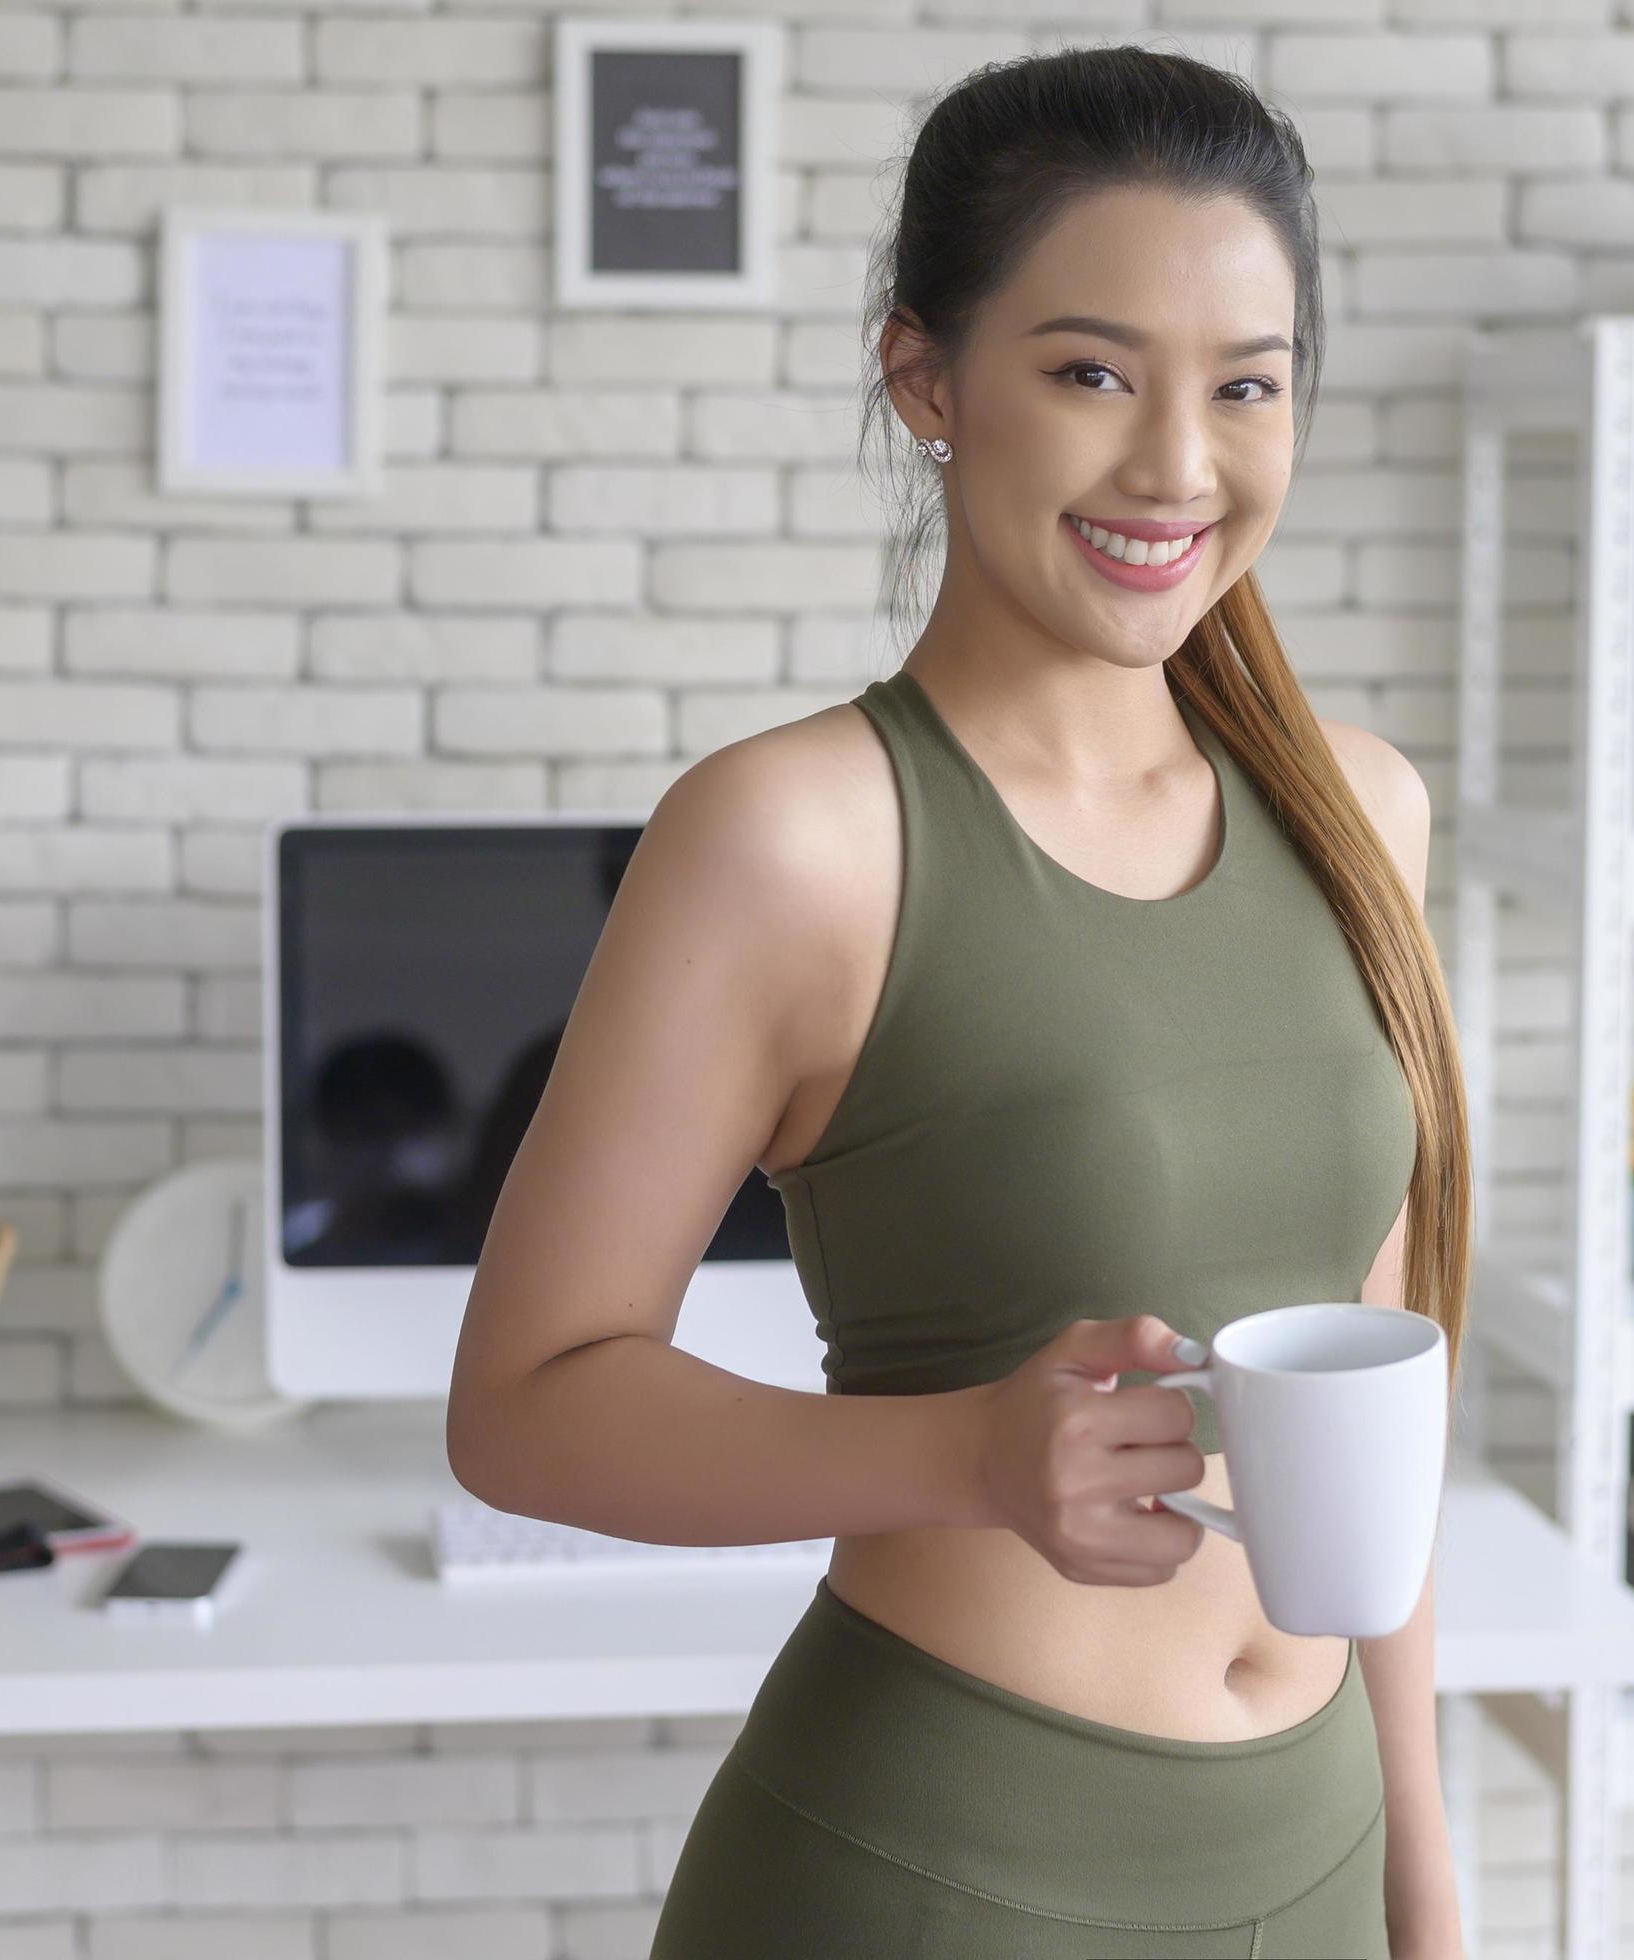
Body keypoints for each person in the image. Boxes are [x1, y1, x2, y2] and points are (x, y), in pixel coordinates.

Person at [447, 42, 1473, 1960]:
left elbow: (1373, 1386)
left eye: (1243, 387)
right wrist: (962, 1455)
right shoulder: (792, 839)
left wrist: (1425, 1891)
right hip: (941, 1876)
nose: (1176, 464)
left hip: (1316, 1854)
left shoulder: (1363, 812)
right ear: (927, 377)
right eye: (1090, 372)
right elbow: (521, 1409)